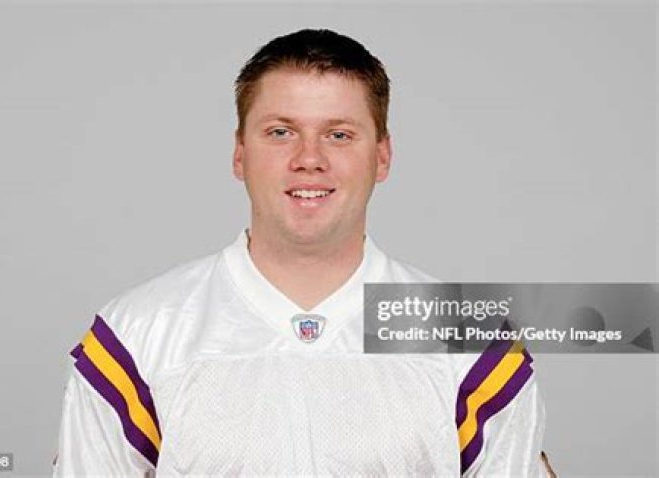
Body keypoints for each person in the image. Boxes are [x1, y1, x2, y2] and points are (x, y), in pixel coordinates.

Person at [53, 28, 547, 476]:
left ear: (382, 157)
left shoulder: (473, 342)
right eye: (280, 132)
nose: (309, 159)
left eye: (339, 135)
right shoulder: (137, 334)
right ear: (240, 154)